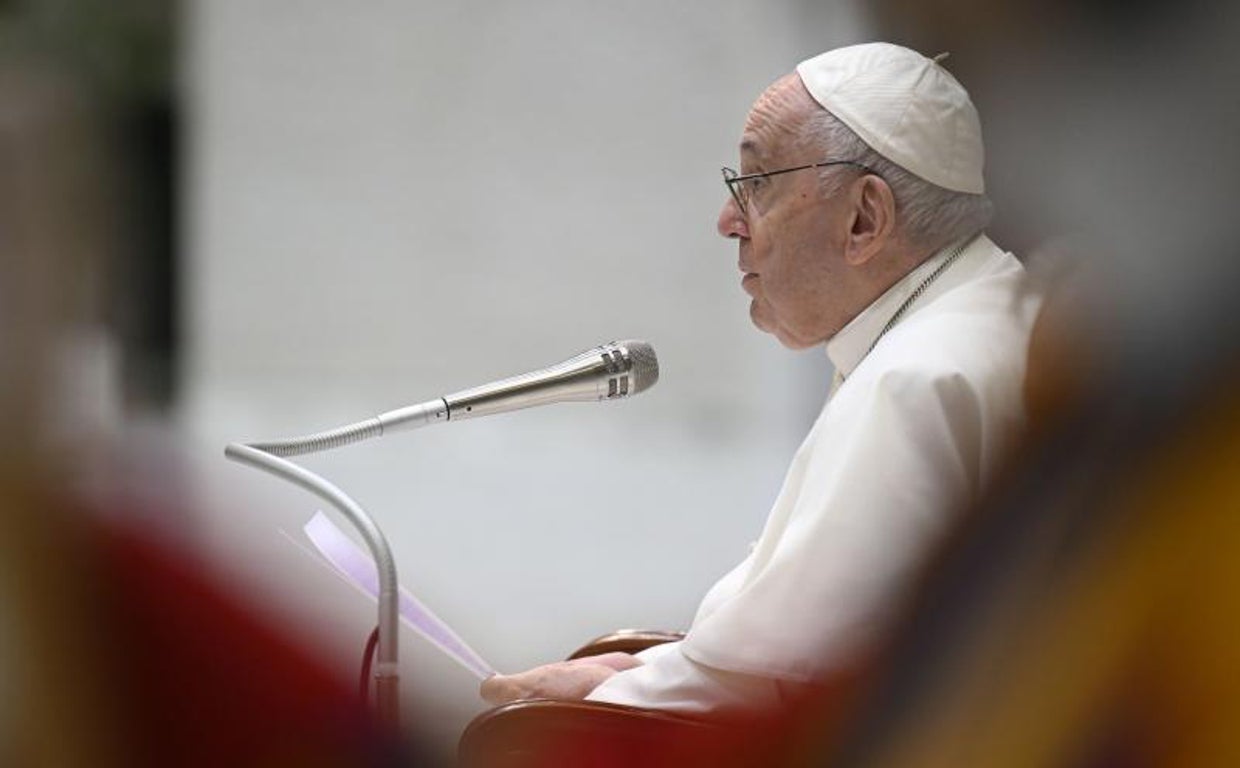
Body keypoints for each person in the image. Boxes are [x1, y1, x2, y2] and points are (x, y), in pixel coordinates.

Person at [480, 42, 1042, 714]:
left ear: (864, 219)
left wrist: (574, 711)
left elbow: (790, 682)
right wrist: (635, 673)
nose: (728, 222)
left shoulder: (917, 377)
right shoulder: (991, 310)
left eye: (757, 185)